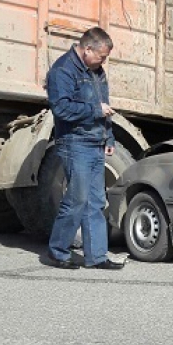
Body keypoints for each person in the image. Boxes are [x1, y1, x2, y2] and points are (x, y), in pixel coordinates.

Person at [44, 27, 125, 270]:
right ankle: (58, 251)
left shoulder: (96, 71)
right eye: (101, 56)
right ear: (87, 49)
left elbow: (105, 106)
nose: (103, 62)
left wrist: (108, 137)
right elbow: (61, 109)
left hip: (95, 143)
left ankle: (97, 257)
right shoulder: (62, 71)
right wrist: (94, 111)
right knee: (76, 199)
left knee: (96, 202)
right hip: (74, 143)